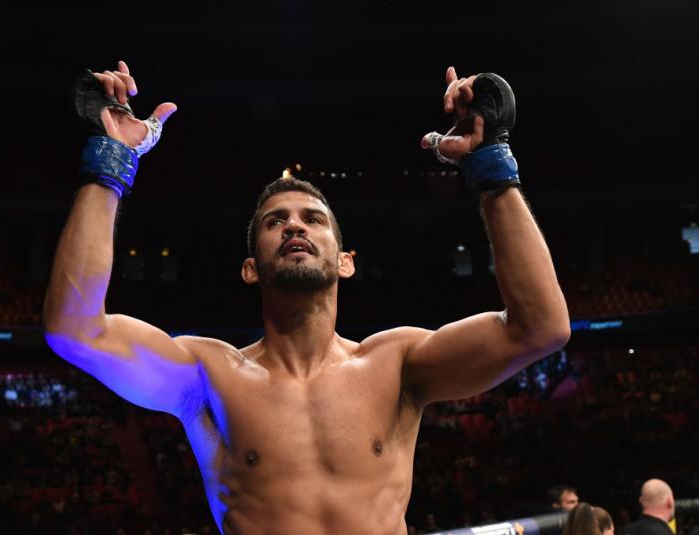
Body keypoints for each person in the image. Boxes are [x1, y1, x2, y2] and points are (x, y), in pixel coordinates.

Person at [43, 60, 571, 534]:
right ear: (251, 269)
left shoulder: (397, 364)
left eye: (312, 220)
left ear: (345, 261)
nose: (295, 227)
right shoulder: (207, 375)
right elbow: (75, 329)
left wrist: (491, 165)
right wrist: (110, 161)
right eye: (276, 222)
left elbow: (539, 328)